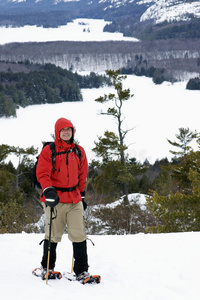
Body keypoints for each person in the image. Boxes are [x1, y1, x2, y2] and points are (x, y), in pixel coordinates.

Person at [36, 117, 89, 280]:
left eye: (69, 129)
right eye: (63, 130)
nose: (67, 132)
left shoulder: (79, 151)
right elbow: (42, 173)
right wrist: (48, 190)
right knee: (53, 234)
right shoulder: (49, 150)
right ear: (58, 132)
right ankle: (47, 268)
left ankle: (81, 271)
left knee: (79, 235)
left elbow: (82, 175)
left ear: (73, 132)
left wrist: (81, 195)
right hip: (55, 199)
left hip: (74, 200)